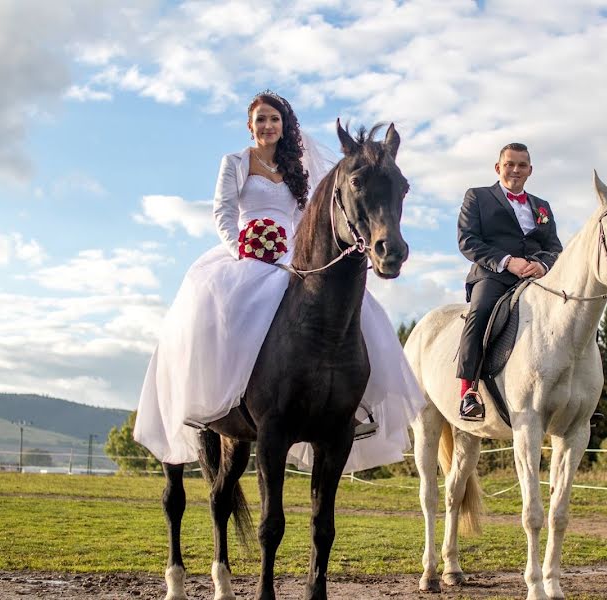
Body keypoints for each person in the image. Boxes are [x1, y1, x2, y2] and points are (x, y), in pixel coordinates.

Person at [134, 91, 425, 471]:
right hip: (244, 252)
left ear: (284, 126)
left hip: (292, 252)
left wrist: (299, 248)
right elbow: (222, 211)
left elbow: (311, 213)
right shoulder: (235, 162)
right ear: (250, 126)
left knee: (359, 311)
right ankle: (215, 395)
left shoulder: (298, 166)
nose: (268, 126)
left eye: (274, 119)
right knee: (221, 311)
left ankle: (354, 404)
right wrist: (243, 246)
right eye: (261, 120)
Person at [455, 143, 563, 420]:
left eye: (522, 165)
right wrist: (507, 261)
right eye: (510, 164)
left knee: (573, 311)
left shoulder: (542, 206)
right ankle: (469, 392)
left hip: (537, 277)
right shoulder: (477, 197)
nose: (515, 170)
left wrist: (542, 264)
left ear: (530, 170)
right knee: (479, 314)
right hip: (494, 274)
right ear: (498, 167)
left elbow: (554, 246)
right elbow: (468, 241)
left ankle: (578, 390)